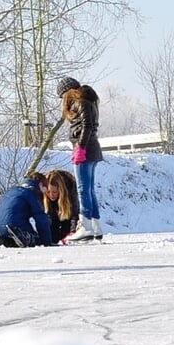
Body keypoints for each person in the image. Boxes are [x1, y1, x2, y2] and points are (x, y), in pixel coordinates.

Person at [56, 76, 105, 241]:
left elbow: (87, 126)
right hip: (91, 149)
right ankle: (95, 226)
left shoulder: (80, 102)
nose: (63, 101)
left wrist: (81, 148)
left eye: (63, 96)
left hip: (85, 149)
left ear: (68, 92)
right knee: (89, 190)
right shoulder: (89, 101)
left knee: (83, 189)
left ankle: (85, 226)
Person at [0, 173, 54, 248]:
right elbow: (41, 220)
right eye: (45, 190)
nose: (45, 194)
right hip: (14, 225)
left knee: (13, 240)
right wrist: (47, 242)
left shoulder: (12, 190)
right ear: (41, 184)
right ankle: (23, 237)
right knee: (35, 239)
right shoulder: (33, 193)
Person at [41, 168, 79, 241]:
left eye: (54, 192)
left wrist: (72, 232)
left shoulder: (71, 192)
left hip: (66, 211)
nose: (51, 195)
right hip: (53, 212)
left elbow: (74, 215)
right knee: (52, 235)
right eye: (49, 192)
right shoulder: (43, 194)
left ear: (60, 190)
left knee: (66, 229)